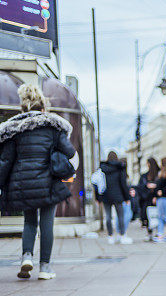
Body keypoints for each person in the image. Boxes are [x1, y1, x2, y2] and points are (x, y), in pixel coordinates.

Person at [0, 84, 76, 280]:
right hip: (47, 182)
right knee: (47, 223)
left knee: (29, 222)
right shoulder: (53, 127)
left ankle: (26, 256)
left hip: (22, 184)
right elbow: (71, 153)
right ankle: (45, 267)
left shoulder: (14, 129)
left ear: (23, 108)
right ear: (43, 107)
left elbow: (5, 160)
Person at [94, 151, 132, 244]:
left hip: (106, 196)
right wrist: (127, 198)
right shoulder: (120, 168)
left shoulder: (102, 169)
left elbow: (97, 184)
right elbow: (123, 184)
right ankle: (122, 235)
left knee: (108, 217)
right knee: (120, 216)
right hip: (118, 196)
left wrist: (98, 198)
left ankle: (110, 236)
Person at [136, 157, 159, 241]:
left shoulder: (158, 175)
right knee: (148, 216)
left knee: (156, 216)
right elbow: (140, 187)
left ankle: (156, 233)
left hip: (153, 198)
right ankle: (151, 233)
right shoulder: (145, 176)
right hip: (147, 199)